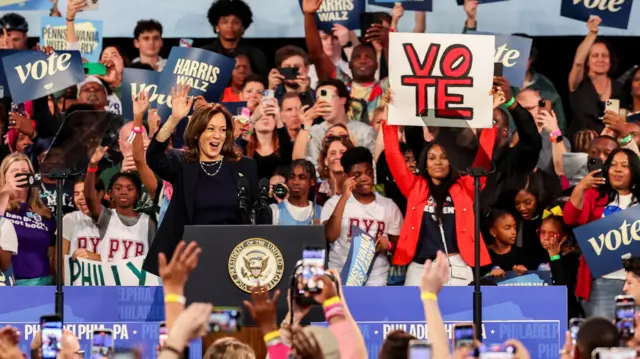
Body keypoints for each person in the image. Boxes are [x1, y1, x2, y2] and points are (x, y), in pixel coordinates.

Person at [143, 85, 268, 275]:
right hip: (189, 260)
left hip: (234, 259)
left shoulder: (245, 166)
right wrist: (174, 119)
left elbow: (258, 214)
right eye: (210, 129)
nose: (217, 135)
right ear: (197, 133)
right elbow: (153, 157)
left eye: (222, 129)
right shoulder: (182, 164)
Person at [382, 120, 496, 286]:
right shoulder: (414, 187)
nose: (438, 162)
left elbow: (483, 160)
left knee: (463, 312)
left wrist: (488, 122)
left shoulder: (465, 187)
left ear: (451, 163)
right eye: (432, 158)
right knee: (416, 312)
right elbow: (393, 155)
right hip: (421, 267)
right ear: (425, 164)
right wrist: (390, 120)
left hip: (456, 264)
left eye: (444, 157)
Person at [564, 148, 640, 319]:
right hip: (602, 282)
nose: (618, 169)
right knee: (602, 336)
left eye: (624, 166)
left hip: (637, 282)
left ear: (634, 170)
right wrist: (581, 187)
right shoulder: (595, 196)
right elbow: (570, 218)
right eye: (613, 165)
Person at [321, 147, 403, 286]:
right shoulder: (333, 203)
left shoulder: (388, 205)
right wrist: (345, 197)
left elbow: (399, 244)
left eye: (368, 173)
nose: (364, 178)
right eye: (357, 175)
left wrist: (387, 245)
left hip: (376, 277)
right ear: (347, 176)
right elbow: (330, 236)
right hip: (341, 274)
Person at [85, 148, 156, 262]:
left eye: (130, 189)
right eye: (118, 188)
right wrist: (92, 166)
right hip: (107, 279)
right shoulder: (106, 217)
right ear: (110, 194)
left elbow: (153, 257)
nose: (124, 192)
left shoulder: (148, 222)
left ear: (138, 195)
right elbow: (89, 197)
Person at [0, 153, 55, 285]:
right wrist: (5, 193)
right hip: (8, 282)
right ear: (4, 176)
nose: (21, 175)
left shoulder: (43, 212)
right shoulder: (3, 208)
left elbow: (52, 252)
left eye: (25, 171)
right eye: (14, 172)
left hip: (42, 282)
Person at [567, 16, 623, 138]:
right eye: (595, 56)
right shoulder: (578, 84)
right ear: (587, 61)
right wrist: (592, 33)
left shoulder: (619, 87)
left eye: (604, 55)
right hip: (580, 147)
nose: (600, 59)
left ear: (610, 59)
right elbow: (578, 63)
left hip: (610, 148)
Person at [202, 0, 267, 77]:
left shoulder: (255, 55)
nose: (230, 26)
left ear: (243, 27)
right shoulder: (205, 53)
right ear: (216, 26)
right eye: (224, 22)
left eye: (235, 22)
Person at [61, 176, 105, 261]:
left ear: (100, 194)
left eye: (86, 192)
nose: (81, 197)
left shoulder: (114, 219)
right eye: (76, 194)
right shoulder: (69, 219)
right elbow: (60, 261)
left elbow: (121, 260)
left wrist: (96, 258)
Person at [270, 159, 321, 225]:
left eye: (302, 177)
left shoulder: (321, 211)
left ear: (312, 181)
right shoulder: (274, 210)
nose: (295, 182)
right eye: (291, 177)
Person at [486, 210, 527, 278]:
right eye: (508, 228)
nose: (513, 232)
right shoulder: (484, 256)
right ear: (493, 232)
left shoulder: (520, 254)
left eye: (514, 227)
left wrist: (523, 272)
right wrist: (490, 274)